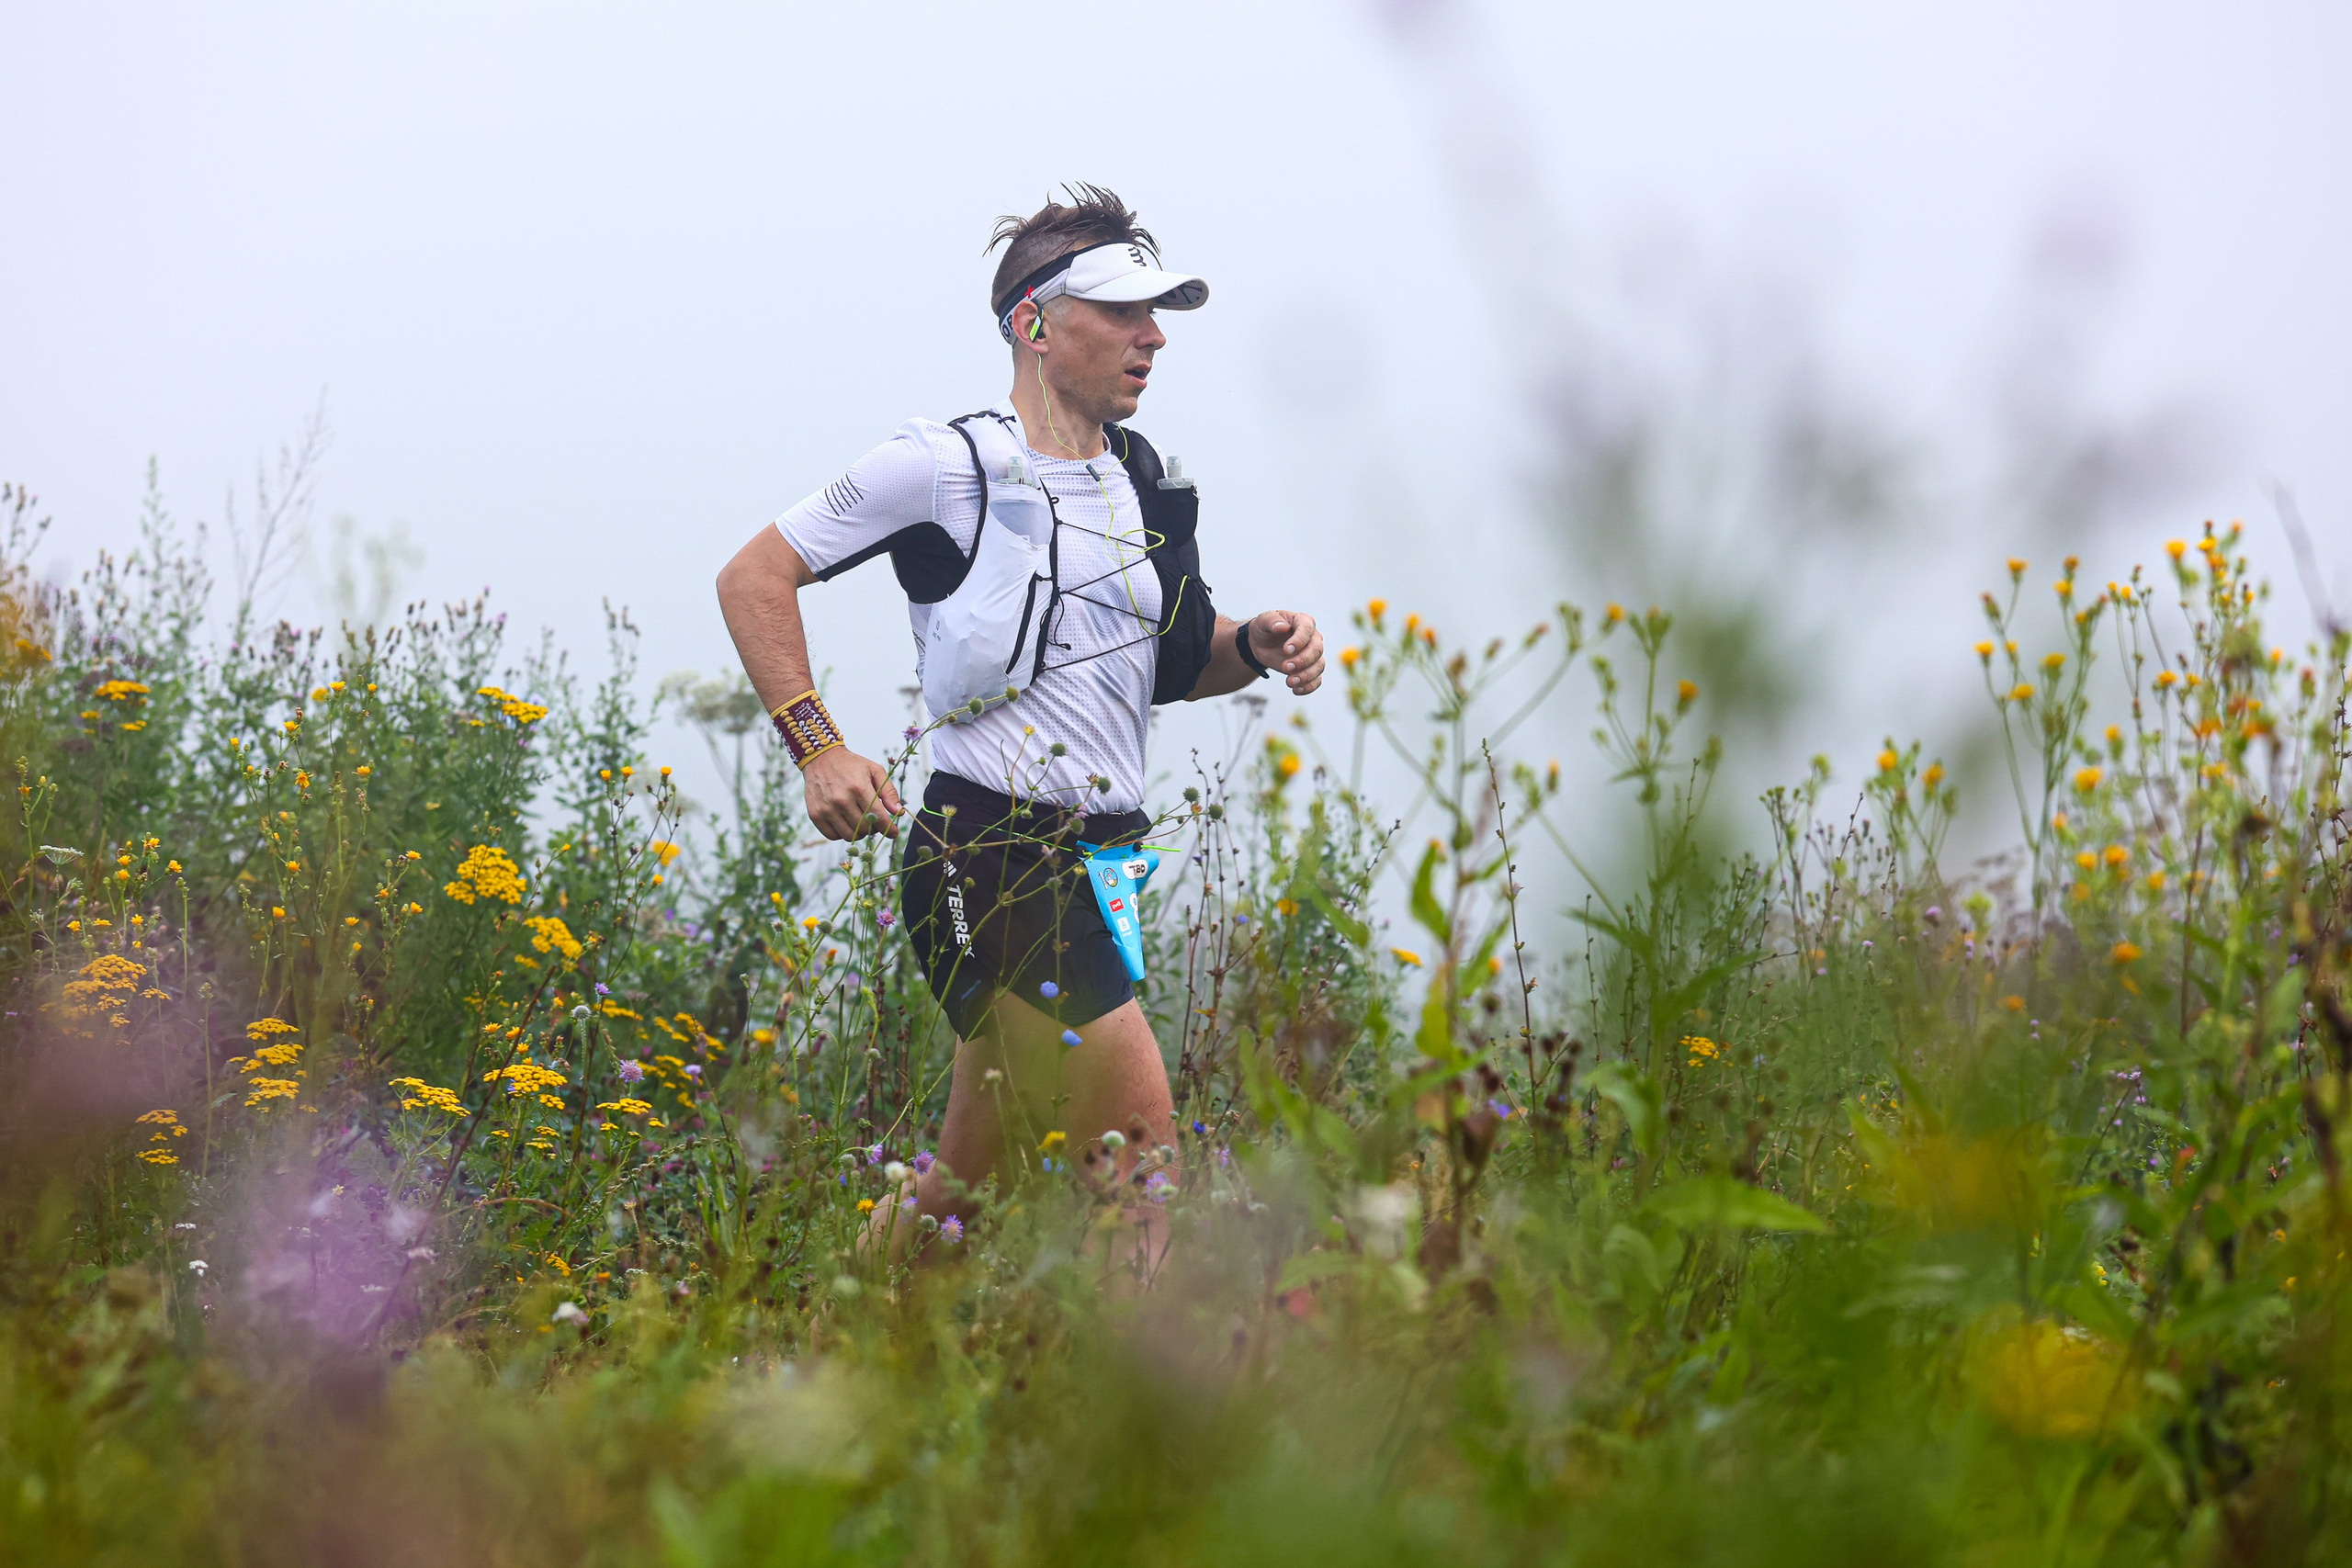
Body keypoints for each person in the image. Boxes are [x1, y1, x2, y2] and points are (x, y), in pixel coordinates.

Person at [715, 184, 1323, 1244]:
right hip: (983, 855)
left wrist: (1253, 648)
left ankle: (850, 1332)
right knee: (1137, 1154)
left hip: (1106, 863)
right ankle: (1142, 1406)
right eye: (1124, 313)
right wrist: (819, 747)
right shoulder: (942, 465)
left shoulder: (1144, 482)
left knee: (961, 1191)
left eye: (1160, 314)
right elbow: (753, 575)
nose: (1153, 338)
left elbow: (1172, 667)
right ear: (1033, 325)